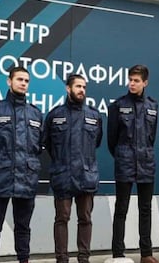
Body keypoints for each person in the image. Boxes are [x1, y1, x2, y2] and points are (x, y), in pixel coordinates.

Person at [0, 67, 43, 263]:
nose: (23, 83)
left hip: (27, 179)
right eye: (19, 79)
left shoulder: (35, 113)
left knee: (23, 226)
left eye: (26, 80)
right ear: (9, 81)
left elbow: (39, 146)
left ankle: (23, 260)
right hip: (0, 178)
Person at [43, 74, 102, 263]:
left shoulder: (94, 115)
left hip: (86, 176)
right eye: (78, 86)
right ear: (68, 88)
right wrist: (62, 162)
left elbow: (97, 143)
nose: (82, 90)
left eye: (84, 87)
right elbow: (49, 145)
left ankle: (83, 258)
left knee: (85, 219)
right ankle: (62, 259)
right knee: (62, 219)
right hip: (63, 176)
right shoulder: (55, 115)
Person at [107, 65, 159, 263]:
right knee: (122, 209)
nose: (132, 83)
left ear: (145, 83)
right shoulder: (118, 105)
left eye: (136, 81)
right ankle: (118, 254)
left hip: (146, 162)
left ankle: (146, 253)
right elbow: (112, 140)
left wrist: (142, 152)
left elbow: (151, 137)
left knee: (145, 209)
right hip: (125, 162)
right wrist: (123, 155)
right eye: (130, 80)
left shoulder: (153, 106)